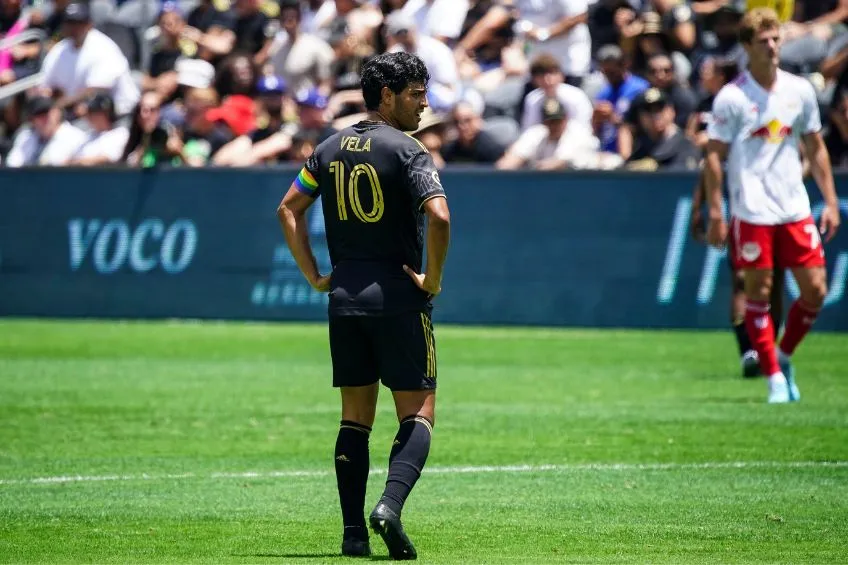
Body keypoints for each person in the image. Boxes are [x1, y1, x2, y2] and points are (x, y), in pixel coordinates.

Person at [276, 51, 450, 559]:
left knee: (354, 418)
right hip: (399, 298)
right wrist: (431, 280)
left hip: (345, 300)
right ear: (387, 96)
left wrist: (314, 276)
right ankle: (389, 508)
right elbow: (439, 217)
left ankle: (353, 535)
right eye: (416, 93)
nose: (424, 103)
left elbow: (288, 208)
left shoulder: (327, 148)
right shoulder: (409, 151)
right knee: (418, 413)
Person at [704, 8, 841, 403]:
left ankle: (782, 356)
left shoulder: (799, 91)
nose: (772, 46)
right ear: (747, 47)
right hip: (752, 209)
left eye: (775, 38)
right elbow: (713, 155)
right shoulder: (732, 97)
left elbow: (815, 146)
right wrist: (717, 211)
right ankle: (774, 379)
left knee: (815, 290)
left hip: (794, 206)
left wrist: (829, 201)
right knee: (759, 290)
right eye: (762, 40)